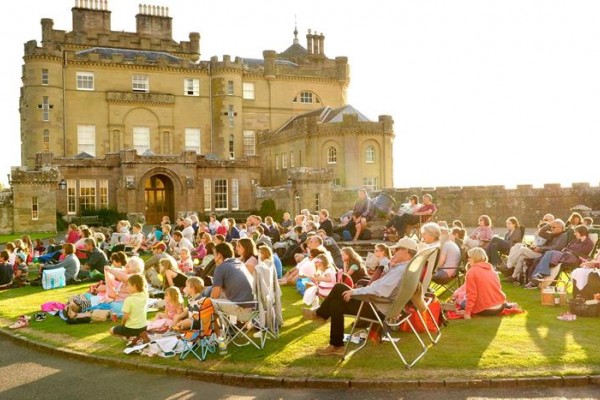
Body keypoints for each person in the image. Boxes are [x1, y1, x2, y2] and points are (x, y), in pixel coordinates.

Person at [303, 237, 418, 356]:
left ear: (406, 251)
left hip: (377, 307)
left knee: (339, 287)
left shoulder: (400, 270)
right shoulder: (406, 268)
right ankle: (336, 345)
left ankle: (320, 315)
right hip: (383, 306)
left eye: (397, 249)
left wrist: (354, 292)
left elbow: (378, 290)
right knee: (336, 304)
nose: (394, 252)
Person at [525, 225, 594, 288]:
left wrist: (570, 251)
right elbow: (566, 248)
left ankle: (536, 277)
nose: (574, 234)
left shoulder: (589, 243)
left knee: (549, 253)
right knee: (547, 256)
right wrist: (567, 250)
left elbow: (582, 253)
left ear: (581, 232)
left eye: (576, 232)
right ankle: (536, 278)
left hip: (575, 259)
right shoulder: (575, 241)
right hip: (565, 256)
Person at [505, 219, 568, 284]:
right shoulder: (553, 234)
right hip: (541, 251)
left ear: (561, 228)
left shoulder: (563, 236)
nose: (551, 229)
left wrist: (540, 249)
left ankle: (508, 266)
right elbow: (541, 233)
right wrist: (549, 225)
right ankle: (513, 276)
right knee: (520, 252)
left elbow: (555, 248)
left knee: (522, 250)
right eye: (551, 227)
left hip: (545, 255)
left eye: (553, 227)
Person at [210, 242, 255, 321]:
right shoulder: (239, 263)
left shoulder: (221, 267)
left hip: (243, 311)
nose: (213, 258)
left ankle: (213, 332)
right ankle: (230, 326)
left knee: (207, 303)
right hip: (255, 308)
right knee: (219, 297)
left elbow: (214, 296)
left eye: (214, 254)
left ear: (219, 255)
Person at [459, 247, 507, 319]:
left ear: (474, 258)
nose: (468, 259)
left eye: (470, 257)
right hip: (500, 306)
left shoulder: (472, 272)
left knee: (463, 304)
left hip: (486, 309)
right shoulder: (491, 270)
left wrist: (467, 312)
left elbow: (472, 294)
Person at [109, 274, 148, 340]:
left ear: (134, 286)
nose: (127, 287)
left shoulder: (129, 300)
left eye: (128, 285)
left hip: (131, 329)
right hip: (143, 327)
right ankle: (136, 336)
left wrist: (123, 324)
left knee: (111, 330)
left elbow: (125, 317)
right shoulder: (145, 296)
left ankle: (130, 338)